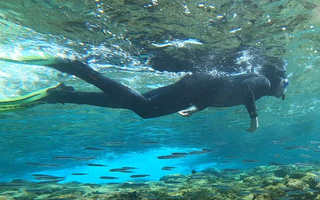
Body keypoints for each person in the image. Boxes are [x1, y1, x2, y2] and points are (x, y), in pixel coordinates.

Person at [0, 56, 288, 132]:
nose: (283, 93)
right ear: (278, 81)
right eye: (285, 87)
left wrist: (197, 108)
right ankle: (75, 68)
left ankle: (62, 94)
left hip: (196, 89)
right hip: (195, 87)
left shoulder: (258, 84)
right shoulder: (262, 83)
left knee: (132, 101)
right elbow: (246, 89)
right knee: (145, 110)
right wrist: (254, 120)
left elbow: (224, 90)